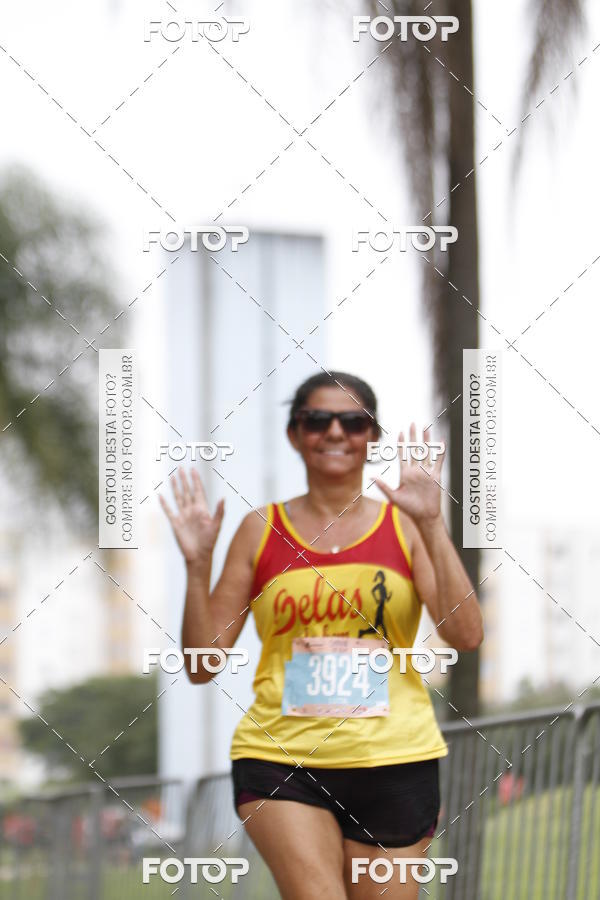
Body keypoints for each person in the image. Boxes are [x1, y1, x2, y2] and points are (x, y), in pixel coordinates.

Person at [159, 371, 483, 899]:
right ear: (295, 434)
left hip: (395, 758)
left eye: (353, 421)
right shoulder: (259, 530)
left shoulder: (405, 527)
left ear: (372, 437)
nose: (335, 432)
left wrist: (429, 523)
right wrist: (197, 567)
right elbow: (201, 664)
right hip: (282, 761)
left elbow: (465, 635)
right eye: (317, 420)